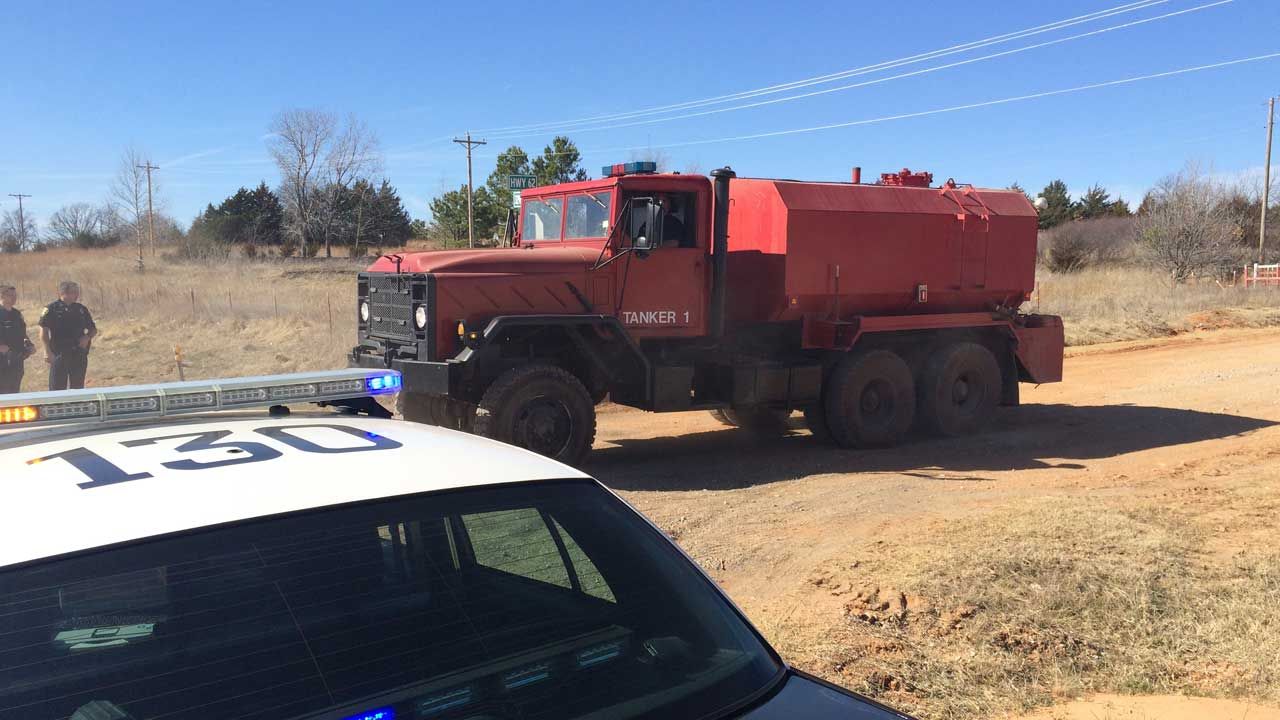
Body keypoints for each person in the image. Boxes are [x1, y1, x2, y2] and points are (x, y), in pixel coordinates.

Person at [40, 281, 97, 391]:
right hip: (59, 353)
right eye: (74, 292)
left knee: (78, 387)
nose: (77, 294)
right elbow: (43, 332)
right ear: (65, 293)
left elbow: (93, 329)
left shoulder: (81, 309)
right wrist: (46, 351)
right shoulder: (51, 309)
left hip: (79, 353)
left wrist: (87, 337)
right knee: (57, 388)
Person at [0, 285, 36, 394]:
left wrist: (29, 344)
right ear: (2, 296)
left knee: (15, 389)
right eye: (11, 295)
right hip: (2, 359)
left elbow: (22, 333)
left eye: (15, 295)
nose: (14, 298)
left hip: (17, 357)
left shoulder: (17, 314)